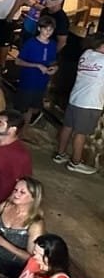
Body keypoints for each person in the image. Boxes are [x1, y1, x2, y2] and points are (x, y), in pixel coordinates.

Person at [54, 34, 104, 175]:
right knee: (81, 133)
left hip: (75, 98)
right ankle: (75, 162)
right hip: (90, 103)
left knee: (67, 127)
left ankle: (60, 154)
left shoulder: (86, 54)